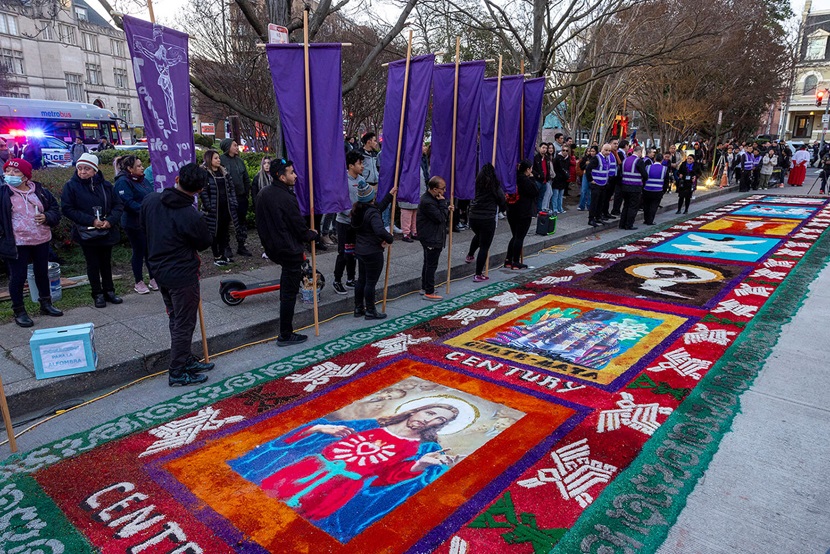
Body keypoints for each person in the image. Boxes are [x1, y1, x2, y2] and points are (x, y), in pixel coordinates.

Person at [228, 404, 461, 539]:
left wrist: (421, 465)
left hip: (339, 488)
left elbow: (387, 479)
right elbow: (292, 440)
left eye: (439, 420)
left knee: (288, 528)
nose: (431, 420)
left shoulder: (417, 449)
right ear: (416, 411)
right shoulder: (367, 425)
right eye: (430, 413)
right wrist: (319, 428)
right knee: (250, 505)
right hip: (304, 469)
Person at [141, 163, 214, 387]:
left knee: (176, 317)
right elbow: (204, 242)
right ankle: (177, 370)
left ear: (177, 179)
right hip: (181, 274)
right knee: (184, 321)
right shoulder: (190, 215)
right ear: (199, 190)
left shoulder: (150, 200)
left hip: (159, 269)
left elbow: (143, 228)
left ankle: (184, 357)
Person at [256, 159, 318, 345]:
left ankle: (286, 331)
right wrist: (311, 235)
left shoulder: (263, 193)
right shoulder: (285, 197)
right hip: (289, 250)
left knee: (287, 290)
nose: (295, 176)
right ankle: (285, 334)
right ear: (282, 177)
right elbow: (298, 226)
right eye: (291, 173)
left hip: (274, 248)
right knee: (289, 293)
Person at [0, 158, 63, 327]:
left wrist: (46, 217)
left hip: (41, 239)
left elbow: (54, 209)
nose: (10, 174)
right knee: (18, 277)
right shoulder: (3, 193)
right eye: (7, 171)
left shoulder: (40, 191)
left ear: (26, 176)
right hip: (17, 243)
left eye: (16, 171)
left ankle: (46, 303)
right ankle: (19, 311)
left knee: (42, 272)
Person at [61, 153, 124, 308]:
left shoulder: (106, 185)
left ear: (95, 170)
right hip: (86, 232)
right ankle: (97, 293)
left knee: (106, 262)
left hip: (105, 230)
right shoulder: (71, 186)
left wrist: (110, 220)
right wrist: (91, 220)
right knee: (92, 263)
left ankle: (109, 291)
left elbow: (118, 205)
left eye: (87, 169)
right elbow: (67, 209)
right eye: (80, 168)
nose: (82, 172)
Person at [351, 180, 396, 320]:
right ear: (371, 197)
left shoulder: (358, 210)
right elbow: (379, 230)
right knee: (370, 282)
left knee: (361, 280)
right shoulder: (372, 213)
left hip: (361, 250)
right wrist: (389, 238)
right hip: (372, 252)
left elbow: (379, 207)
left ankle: (358, 307)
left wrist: (390, 195)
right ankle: (370, 310)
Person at [115, 155, 157, 295]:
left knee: (149, 250)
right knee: (139, 250)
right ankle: (138, 281)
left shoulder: (143, 180)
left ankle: (153, 278)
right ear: (129, 168)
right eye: (138, 166)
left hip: (147, 221)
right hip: (133, 223)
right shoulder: (123, 182)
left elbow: (151, 195)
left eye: (141, 165)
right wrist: (145, 209)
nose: (142, 168)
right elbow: (127, 203)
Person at [200, 149, 242, 267]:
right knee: (214, 233)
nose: (218, 160)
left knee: (224, 232)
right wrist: (209, 206)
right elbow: (203, 192)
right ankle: (217, 256)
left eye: (218, 158)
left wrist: (233, 202)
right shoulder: (205, 174)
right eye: (216, 158)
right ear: (209, 159)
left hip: (225, 208)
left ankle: (223, 254)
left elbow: (231, 188)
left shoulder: (224, 172)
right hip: (213, 210)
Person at [465, 163, 507, 282]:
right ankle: (478, 274)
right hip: (487, 218)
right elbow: (502, 200)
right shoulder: (494, 186)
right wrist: (503, 208)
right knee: (484, 246)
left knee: (478, 235)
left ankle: (470, 255)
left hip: (473, 216)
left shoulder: (476, 184)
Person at [332, 150, 363, 295]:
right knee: (343, 253)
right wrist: (351, 213)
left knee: (352, 252)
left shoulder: (361, 180)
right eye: (359, 163)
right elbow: (339, 202)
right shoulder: (342, 180)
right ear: (351, 165)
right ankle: (337, 280)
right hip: (344, 222)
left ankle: (351, 278)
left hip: (356, 223)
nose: (362, 166)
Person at [416, 175, 451, 300]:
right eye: (442, 188)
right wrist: (443, 204)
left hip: (432, 235)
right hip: (431, 237)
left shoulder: (431, 199)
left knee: (428, 263)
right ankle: (429, 291)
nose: (444, 191)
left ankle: (425, 287)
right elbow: (440, 218)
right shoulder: (427, 202)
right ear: (435, 189)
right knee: (431, 265)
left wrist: (445, 207)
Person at [219, 138, 252, 256]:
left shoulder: (240, 161)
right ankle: (226, 247)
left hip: (241, 196)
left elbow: (246, 178)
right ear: (228, 147)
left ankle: (241, 245)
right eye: (234, 145)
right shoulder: (221, 160)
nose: (237, 147)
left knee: (242, 222)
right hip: (227, 198)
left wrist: (246, 192)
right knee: (226, 222)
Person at [505, 160, 538, 270]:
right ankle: (515, 261)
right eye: (530, 169)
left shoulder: (513, 178)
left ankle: (508, 259)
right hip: (523, 212)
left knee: (515, 236)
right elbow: (535, 191)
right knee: (519, 237)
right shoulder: (525, 180)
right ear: (527, 169)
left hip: (512, 211)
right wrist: (532, 178)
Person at [399, 143, 429, 242]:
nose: (425, 148)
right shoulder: (409, 160)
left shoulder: (423, 159)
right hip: (408, 188)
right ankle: (406, 233)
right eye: (423, 146)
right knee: (407, 211)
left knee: (416, 211)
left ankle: (414, 231)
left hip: (419, 188)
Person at [618, 145, 648, 230]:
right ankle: (629, 224)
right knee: (633, 207)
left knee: (626, 205)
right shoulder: (639, 161)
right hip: (635, 187)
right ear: (639, 152)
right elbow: (645, 175)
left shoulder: (625, 160)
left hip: (624, 186)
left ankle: (622, 224)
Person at [585, 144, 612, 227]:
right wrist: (591, 180)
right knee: (594, 202)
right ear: (602, 150)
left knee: (601, 202)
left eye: (609, 151)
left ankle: (598, 217)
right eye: (606, 150)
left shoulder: (607, 159)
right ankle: (591, 219)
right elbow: (588, 169)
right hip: (596, 184)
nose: (608, 152)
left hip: (603, 183)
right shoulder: (597, 158)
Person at [642, 154, 671, 225]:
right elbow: (666, 181)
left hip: (647, 189)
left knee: (646, 205)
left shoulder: (648, 167)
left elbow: (644, 178)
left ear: (654, 159)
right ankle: (650, 220)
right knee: (654, 206)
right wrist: (663, 191)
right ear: (662, 160)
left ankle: (646, 219)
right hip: (658, 190)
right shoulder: (664, 169)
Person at [550, 145, 570, 214]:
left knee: (560, 195)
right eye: (563, 150)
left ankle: (560, 208)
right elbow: (556, 168)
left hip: (563, 179)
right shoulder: (557, 158)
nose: (565, 152)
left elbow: (567, 168)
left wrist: (567, 175)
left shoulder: (568, 158)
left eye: (566, 150)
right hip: (557, 178)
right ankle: (555, 209)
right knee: (555, 195)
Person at [532, 143, 550, 213]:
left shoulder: (547, 158)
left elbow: (548, 168)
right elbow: (532, 169)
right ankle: (534, 212)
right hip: (538, 180)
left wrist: (548, 176)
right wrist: (538, 175)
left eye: (546, 148)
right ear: (539, 148)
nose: (544, 149)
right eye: (543, 148)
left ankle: (539, 210)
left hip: (544, 180)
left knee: (541, 197)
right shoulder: (536, 158)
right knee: (535, 197)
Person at [577, 146, 597, 211]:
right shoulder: (586, 158)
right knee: (584, 190)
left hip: (593, 174)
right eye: (591, 151)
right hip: (586, 174)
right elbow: (581, 167)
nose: (592, 153)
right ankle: (581, 205)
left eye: (593, 151)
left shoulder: (597, 158)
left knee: (589, 191)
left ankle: (589, 205)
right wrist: (586, 164)